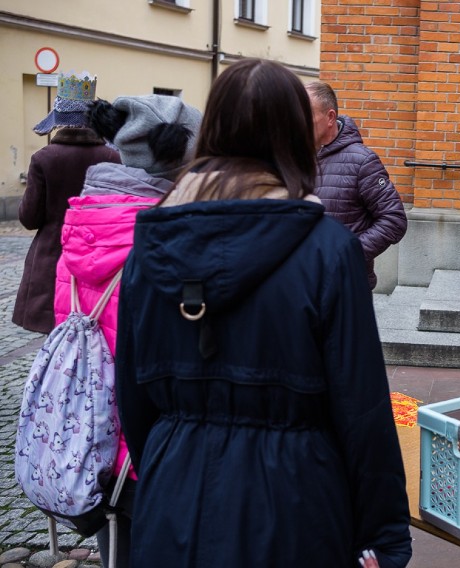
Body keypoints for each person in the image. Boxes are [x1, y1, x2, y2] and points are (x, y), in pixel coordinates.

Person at [113, 59, 412, 567]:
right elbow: (361, 407)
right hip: (292, 497)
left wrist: (173, 461)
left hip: (174, 487)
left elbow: (132, 394)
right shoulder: (327, 249)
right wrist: (384, 533)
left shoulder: (153, 242)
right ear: (295, 133)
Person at [54, 94, 202, 568]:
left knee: (117, 552)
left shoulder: (84, 222)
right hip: (153, 446)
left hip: (90, 438)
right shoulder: (169, 235)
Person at [13, 71, 120, 333]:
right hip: (100, 261)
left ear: (58, 120)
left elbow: (29, 219)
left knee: (54, 336)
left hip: (52, 258)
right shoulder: (113, 156)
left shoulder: (43, 158)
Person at [305, 81, 407, 290]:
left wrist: (348, 253)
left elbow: (394, 220)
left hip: (347, 284)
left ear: (330, 117)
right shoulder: (296, 156)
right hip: (305, 281)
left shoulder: (362, 161)